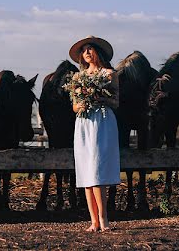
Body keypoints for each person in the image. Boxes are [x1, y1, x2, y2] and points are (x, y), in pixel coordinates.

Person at [69, 36, 121, 232]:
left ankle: (104, 218)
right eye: (84, 50)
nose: (87, 53)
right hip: (83, 122)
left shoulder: (109, 74)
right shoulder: (77, 78)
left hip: (103, 120)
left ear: (98, 52)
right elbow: (74, 106)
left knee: (98, 168)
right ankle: (93, 221)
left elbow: (115, 102)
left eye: (91, 49)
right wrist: (81, 104)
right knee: (86, 171)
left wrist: (100, 98)